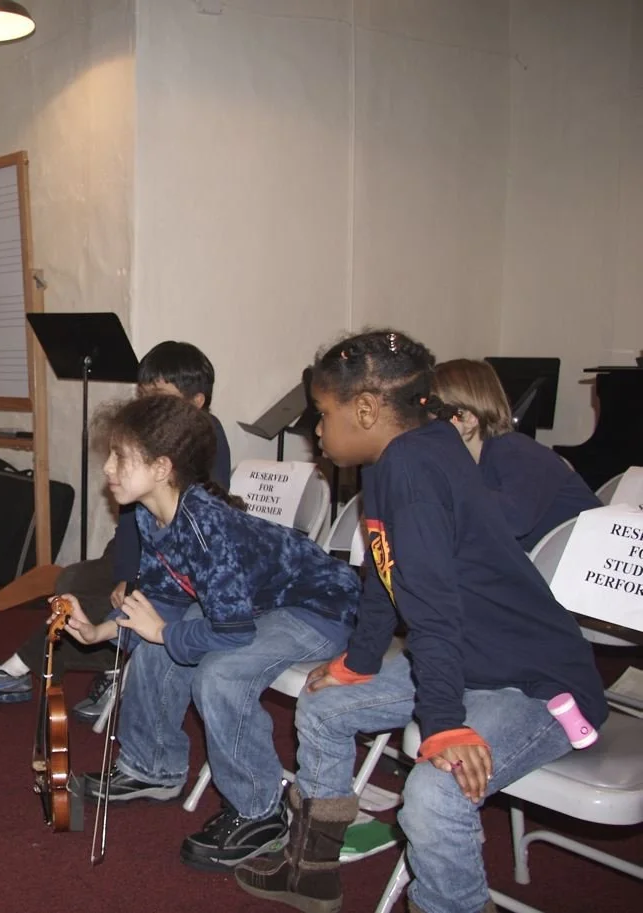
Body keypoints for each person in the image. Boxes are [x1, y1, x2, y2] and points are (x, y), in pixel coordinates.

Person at [236, 330, 608, 913]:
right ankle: (311, 871)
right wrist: (358, 662)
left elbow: (433, 608)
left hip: (534, 682)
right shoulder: (396, 458)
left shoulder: (415, 468)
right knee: (325, 706)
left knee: (435, 793)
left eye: (323, 413)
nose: (317, 430)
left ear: (366, 410)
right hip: (466, 661)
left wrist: (443, 725)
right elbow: (386, 572)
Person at [60, 394, 361, 871]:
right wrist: (99, 631)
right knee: (160, 645)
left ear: (162, 467)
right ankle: (152, 767)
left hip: (321, 609)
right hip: (257, 605)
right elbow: (160, 602)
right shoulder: (150, 515)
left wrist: (165, 634)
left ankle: (259, 812)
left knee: (220, 675)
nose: (108, 469)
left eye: (121, 457)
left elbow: (231, 633)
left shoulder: (206, 530)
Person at [0, 342, 233, 722]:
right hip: (138, 548)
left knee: (110, 604)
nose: (147, 404)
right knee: (71, 580)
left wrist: (137, 579)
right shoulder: (149, 432)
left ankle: (18, 669)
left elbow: (196, 528)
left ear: (196, 402)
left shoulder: (207, 439)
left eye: (160, 395)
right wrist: (126, 573)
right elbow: (131, 517)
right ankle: (109, 665)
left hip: (175, 560)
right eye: (144, 394)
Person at [433, 358, 600, 549]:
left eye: (435, 413)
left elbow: (514, 520)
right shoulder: (473, 462)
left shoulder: (515, 450)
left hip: (588, 557)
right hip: (550, 558)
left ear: (469, 419)